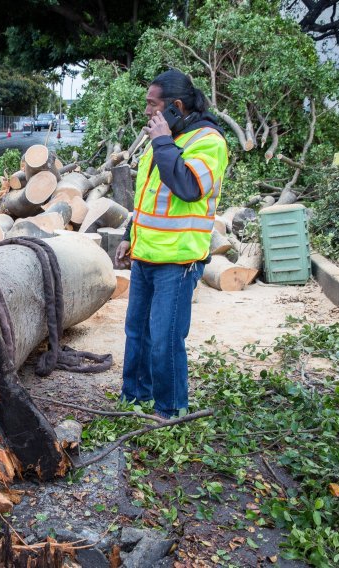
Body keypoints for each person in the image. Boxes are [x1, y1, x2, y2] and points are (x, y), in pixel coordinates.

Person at [114, 69, 229, 418]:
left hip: (178, 262)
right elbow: (147, 199)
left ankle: (170, 409)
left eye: (153, 105)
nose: (148, 112)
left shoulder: (209, 142)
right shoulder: (161, 141)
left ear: (176, 106)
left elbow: (188, 187)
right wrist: (127, 238)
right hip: (147, 255)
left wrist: (163, 141)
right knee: (137, 332)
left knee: (165, 340)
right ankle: (134, 397)